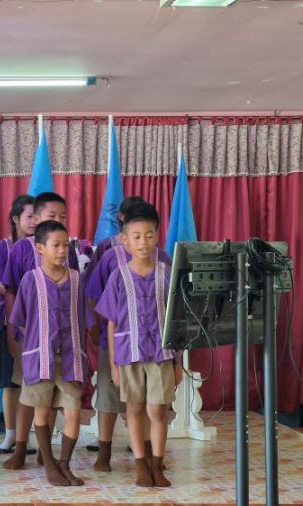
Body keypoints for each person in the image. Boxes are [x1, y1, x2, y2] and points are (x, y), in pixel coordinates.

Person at [95, 203, 180, 488]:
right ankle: (141, 465)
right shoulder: (118, 275)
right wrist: (113, 366)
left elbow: (176, 319)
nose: (143, 242)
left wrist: (178, 362)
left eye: (149, 235)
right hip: (128, 356)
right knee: (133, 409)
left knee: (157, 411)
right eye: (136, 236)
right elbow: (111, 323)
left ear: (157, 237)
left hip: (161, 355)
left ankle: (157, 464)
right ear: (125, 240)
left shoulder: (166, 273)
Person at [10, 220, 90, 486]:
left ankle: (64, 463)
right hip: (40, 359)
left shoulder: (76, 280)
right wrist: (39, 341)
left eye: (66, 245)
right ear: (40, 248)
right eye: (56, 245)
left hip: (70, 358)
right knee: (42, 412)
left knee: (73, 411)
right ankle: (49, 465)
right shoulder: (30, 279)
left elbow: (83, 317)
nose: (62, 250)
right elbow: (21, 319)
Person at [0, 194, 35, 454]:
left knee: (34, 381)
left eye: (38, 216)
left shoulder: (44, 246)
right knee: (10, 382)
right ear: (16, 219)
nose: (34, 221)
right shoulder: (3, 248)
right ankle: (10, 435)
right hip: (12, 322)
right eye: (29, 216)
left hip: (38, 324)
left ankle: (29, 435)